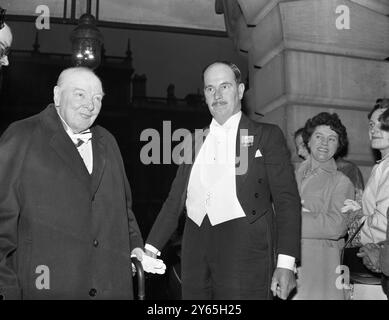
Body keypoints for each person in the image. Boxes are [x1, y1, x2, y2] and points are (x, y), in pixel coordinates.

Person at [0, 67, 164, 300]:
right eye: (80, 94)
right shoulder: (21, 136)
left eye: (97, 98)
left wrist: (135, 246)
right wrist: (7, 291)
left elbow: (123, 211)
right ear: (57, 96)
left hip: (111, 289)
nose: (90, 104)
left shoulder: (108, 141)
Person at [145, 61, 301, 300]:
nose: (216, 95)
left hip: (246, 250)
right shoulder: (193, 142)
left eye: (224, 86)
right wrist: (150, 249)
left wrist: (286, 263)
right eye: (210, 89)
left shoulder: (266, 135)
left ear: (239, 91)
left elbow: (286, 200)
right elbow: (174, 201)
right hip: (194, 249)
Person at [293, 112, 354, 299]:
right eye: (318, 137)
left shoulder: (341, 182)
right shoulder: (292, 175)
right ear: (308, 141)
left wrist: (291, 218)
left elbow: (336, 226)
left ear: (338, 145)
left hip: (321, 270)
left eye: (332, 139)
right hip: (289, 267)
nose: (324, 143)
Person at [342, 98, 389, 299]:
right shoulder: (382, 165)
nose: (374, 129)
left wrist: (355, 222)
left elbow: (382, 224)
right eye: (372, 124)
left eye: (383, 124)